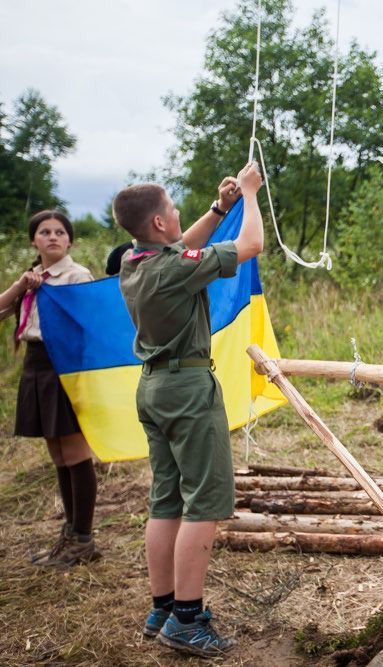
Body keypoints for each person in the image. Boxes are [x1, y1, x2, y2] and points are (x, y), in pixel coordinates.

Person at [112, 162, 262, 658]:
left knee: (167, 499)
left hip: (154, 386)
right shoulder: (175, 267)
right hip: (188, 389)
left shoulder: (134, 263)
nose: (178, 214)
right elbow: (251, 246)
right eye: (172, 209)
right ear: (158, 223)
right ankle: (188, 618)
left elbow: (181, 246)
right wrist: (250, 196)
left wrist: (220, 208)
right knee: (205, 502)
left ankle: (163, 607)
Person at [0, 210, 100, 568]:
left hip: (65, 366)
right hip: (36, 365)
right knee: (58, 453)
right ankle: (71, 534)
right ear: (34, 240)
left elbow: (89, 325)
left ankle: (83, 540)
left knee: (75, 453)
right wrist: (22, 287)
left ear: (70, 241)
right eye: (45, 232)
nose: (53, 237)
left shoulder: (76, 275)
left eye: (60, 232)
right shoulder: (33, 279)